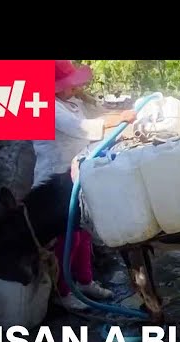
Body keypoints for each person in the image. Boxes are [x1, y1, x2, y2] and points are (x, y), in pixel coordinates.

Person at [32, 60, 137, 310]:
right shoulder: (48, 108)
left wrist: (114, 118)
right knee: (68, 238)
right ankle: (63, 291)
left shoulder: (71, 103)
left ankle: (85, 280)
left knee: (85, 233)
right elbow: (82, 128)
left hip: (77, 175)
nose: (74, 88)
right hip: (54, 181)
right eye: (67, 85)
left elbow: (95, 118)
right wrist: (119, 118)